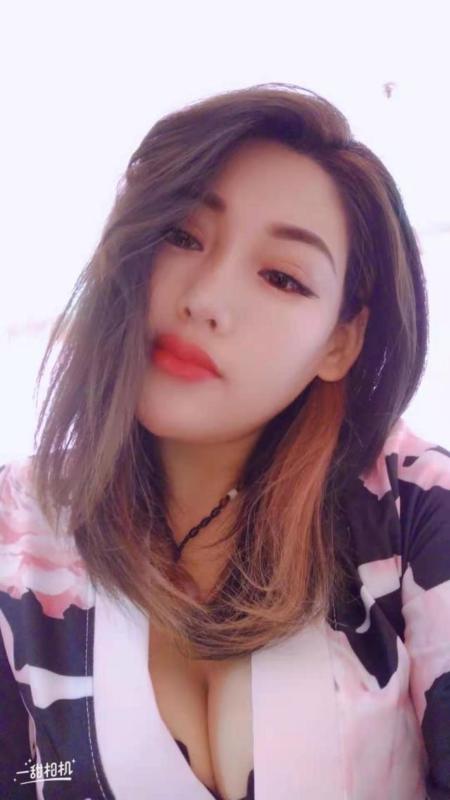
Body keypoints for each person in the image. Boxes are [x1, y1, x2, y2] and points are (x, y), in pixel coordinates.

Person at [0, 81, 448, 800]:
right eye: (182, 236)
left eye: (282, 277)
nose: (205, 299)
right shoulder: (18, 539)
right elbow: (24, 776)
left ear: (340, 341)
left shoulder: (412, 510)